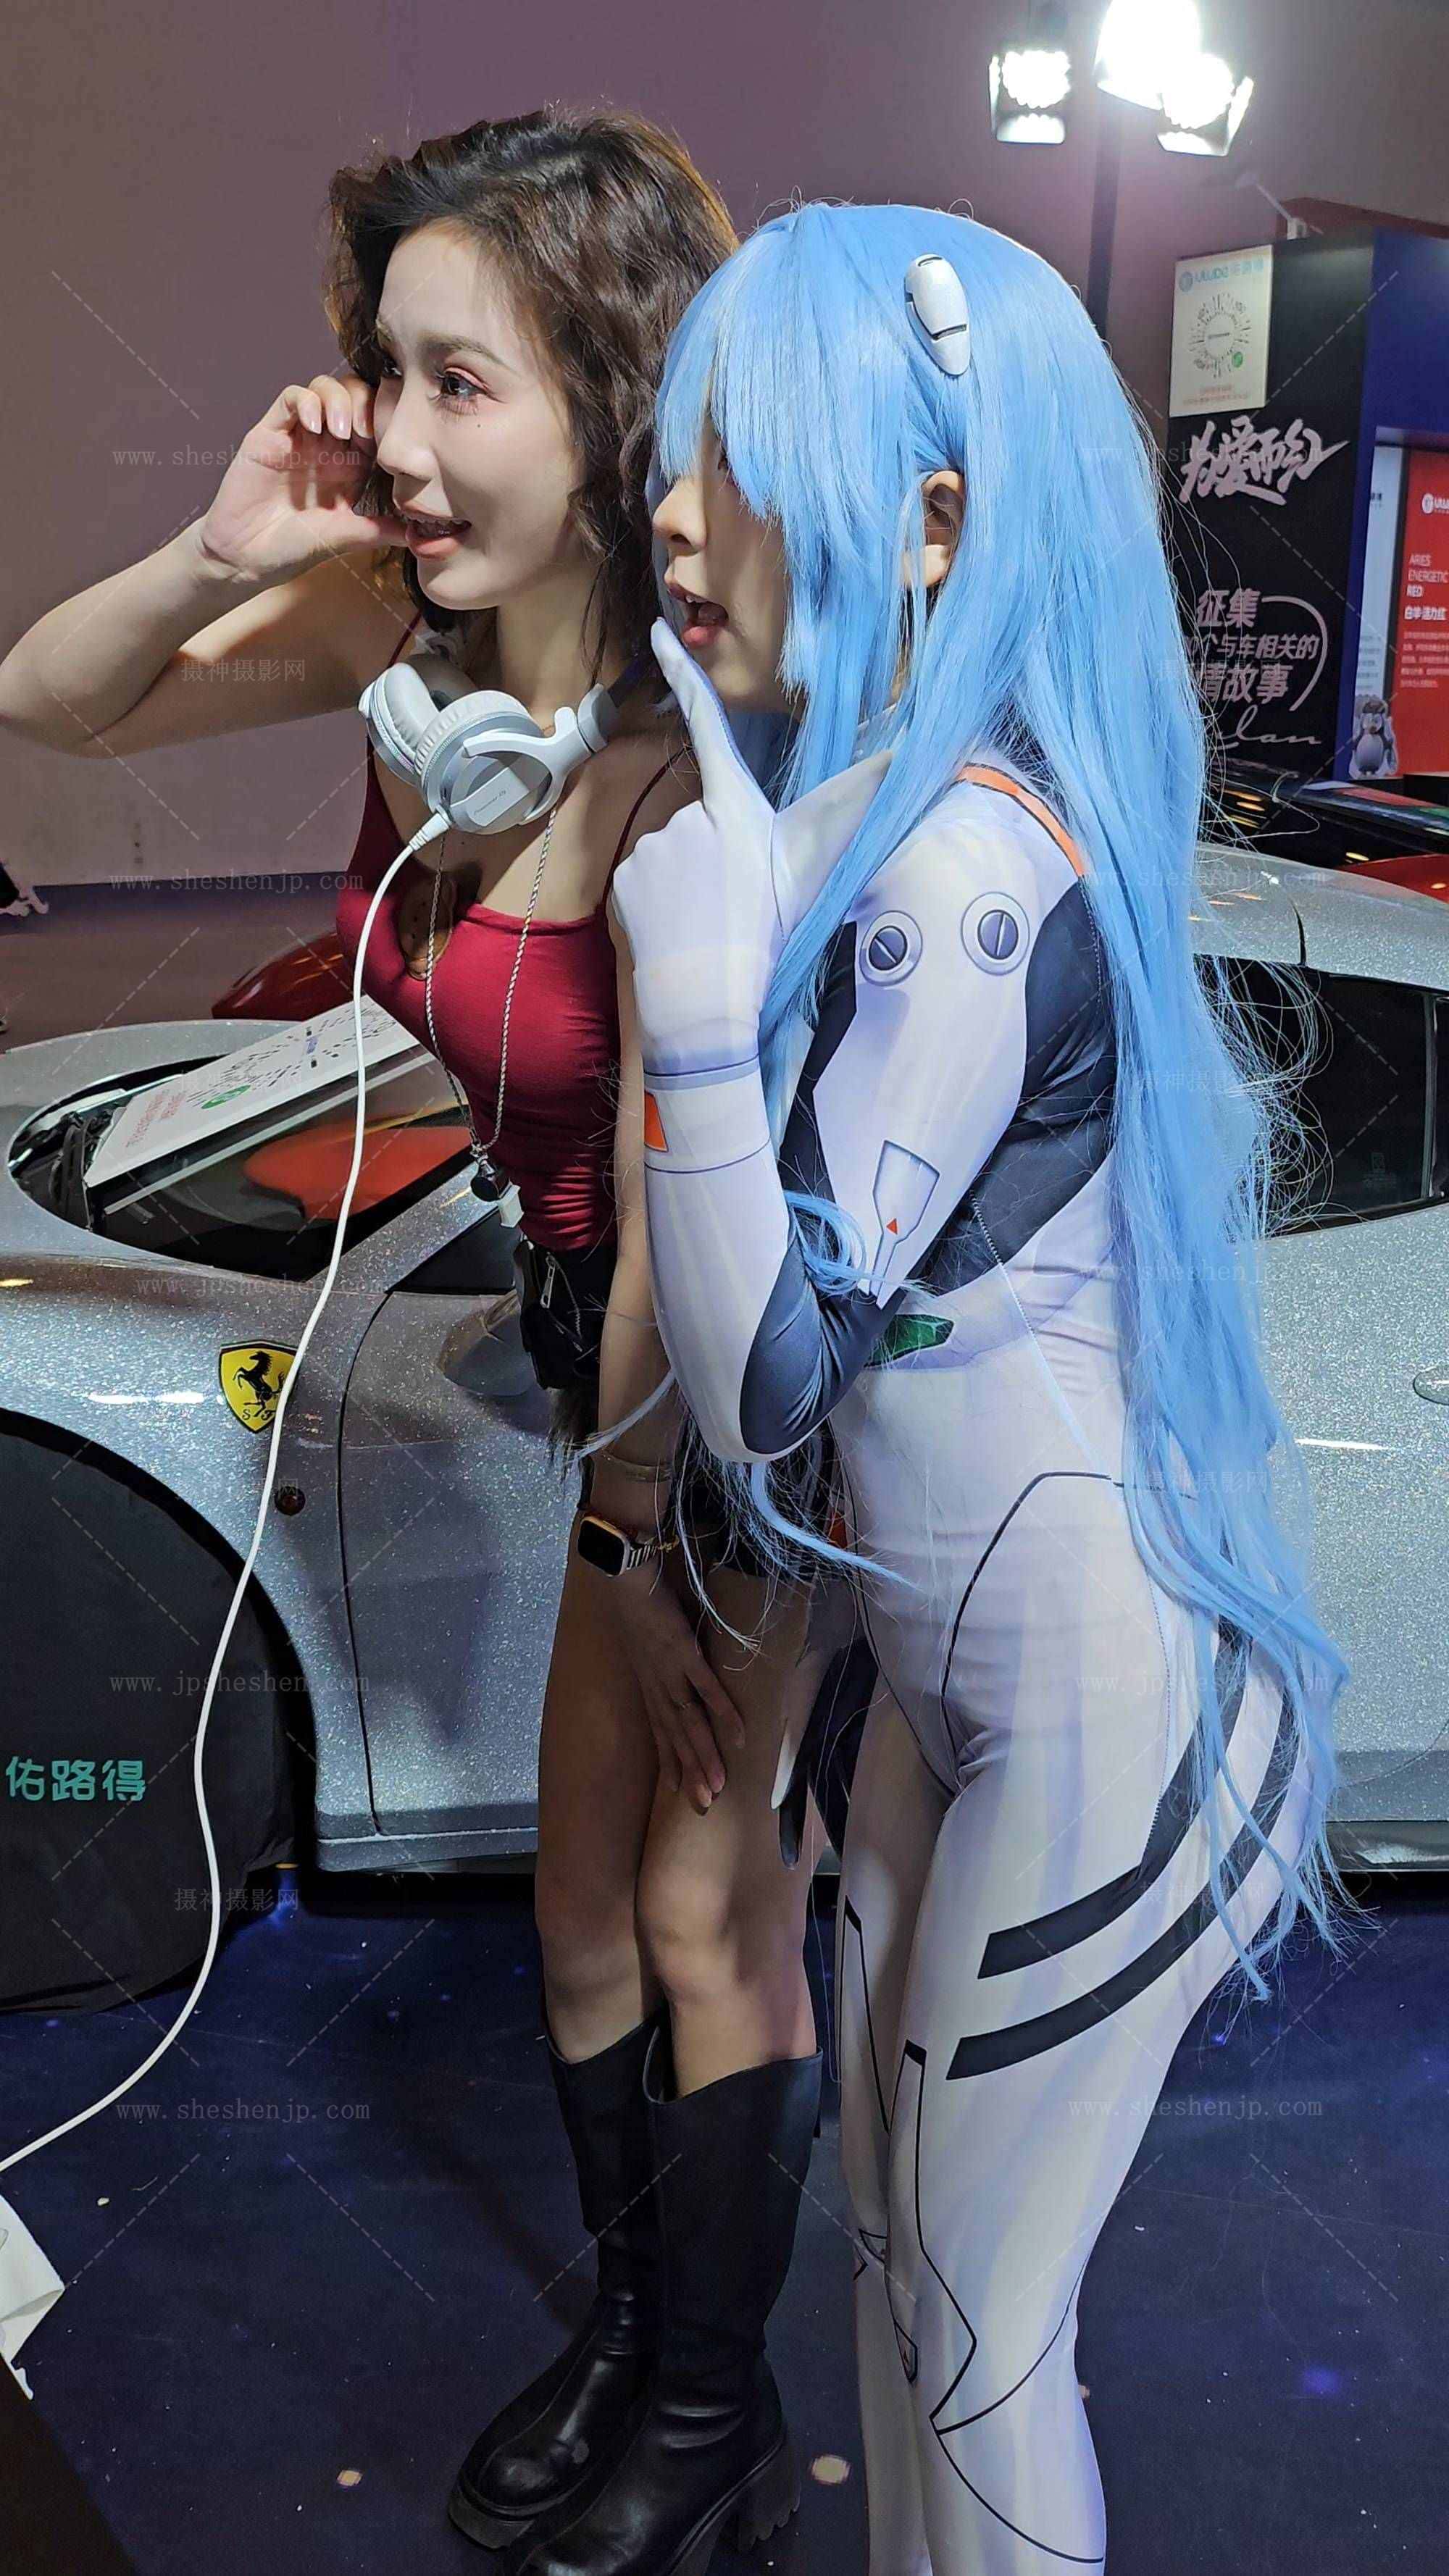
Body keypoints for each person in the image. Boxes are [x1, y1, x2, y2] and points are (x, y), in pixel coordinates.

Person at [0, 109, 839, 2563]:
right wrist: (223, 550)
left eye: (461, 381)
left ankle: (715, 2422)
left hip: (745, 1392)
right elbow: (47, 700)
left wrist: (639, 1533)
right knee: (576, 1916)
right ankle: (639, 2334)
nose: (395, 433)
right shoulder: (410, 647)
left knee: (695, 1909)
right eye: (385, 369)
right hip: (595, 1369)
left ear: (615, 394)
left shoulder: (713, 739)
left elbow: (712, 1213)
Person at [600, 202, 1367, 2575]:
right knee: (913, 2280)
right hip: (964, 1680)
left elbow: (763, 1377)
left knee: (976, 2324)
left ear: (933, 515)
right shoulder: (884, 828)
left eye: (740, 458)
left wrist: (694, 1024)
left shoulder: (959, 875)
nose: (672, 512)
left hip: (1086, 1694)